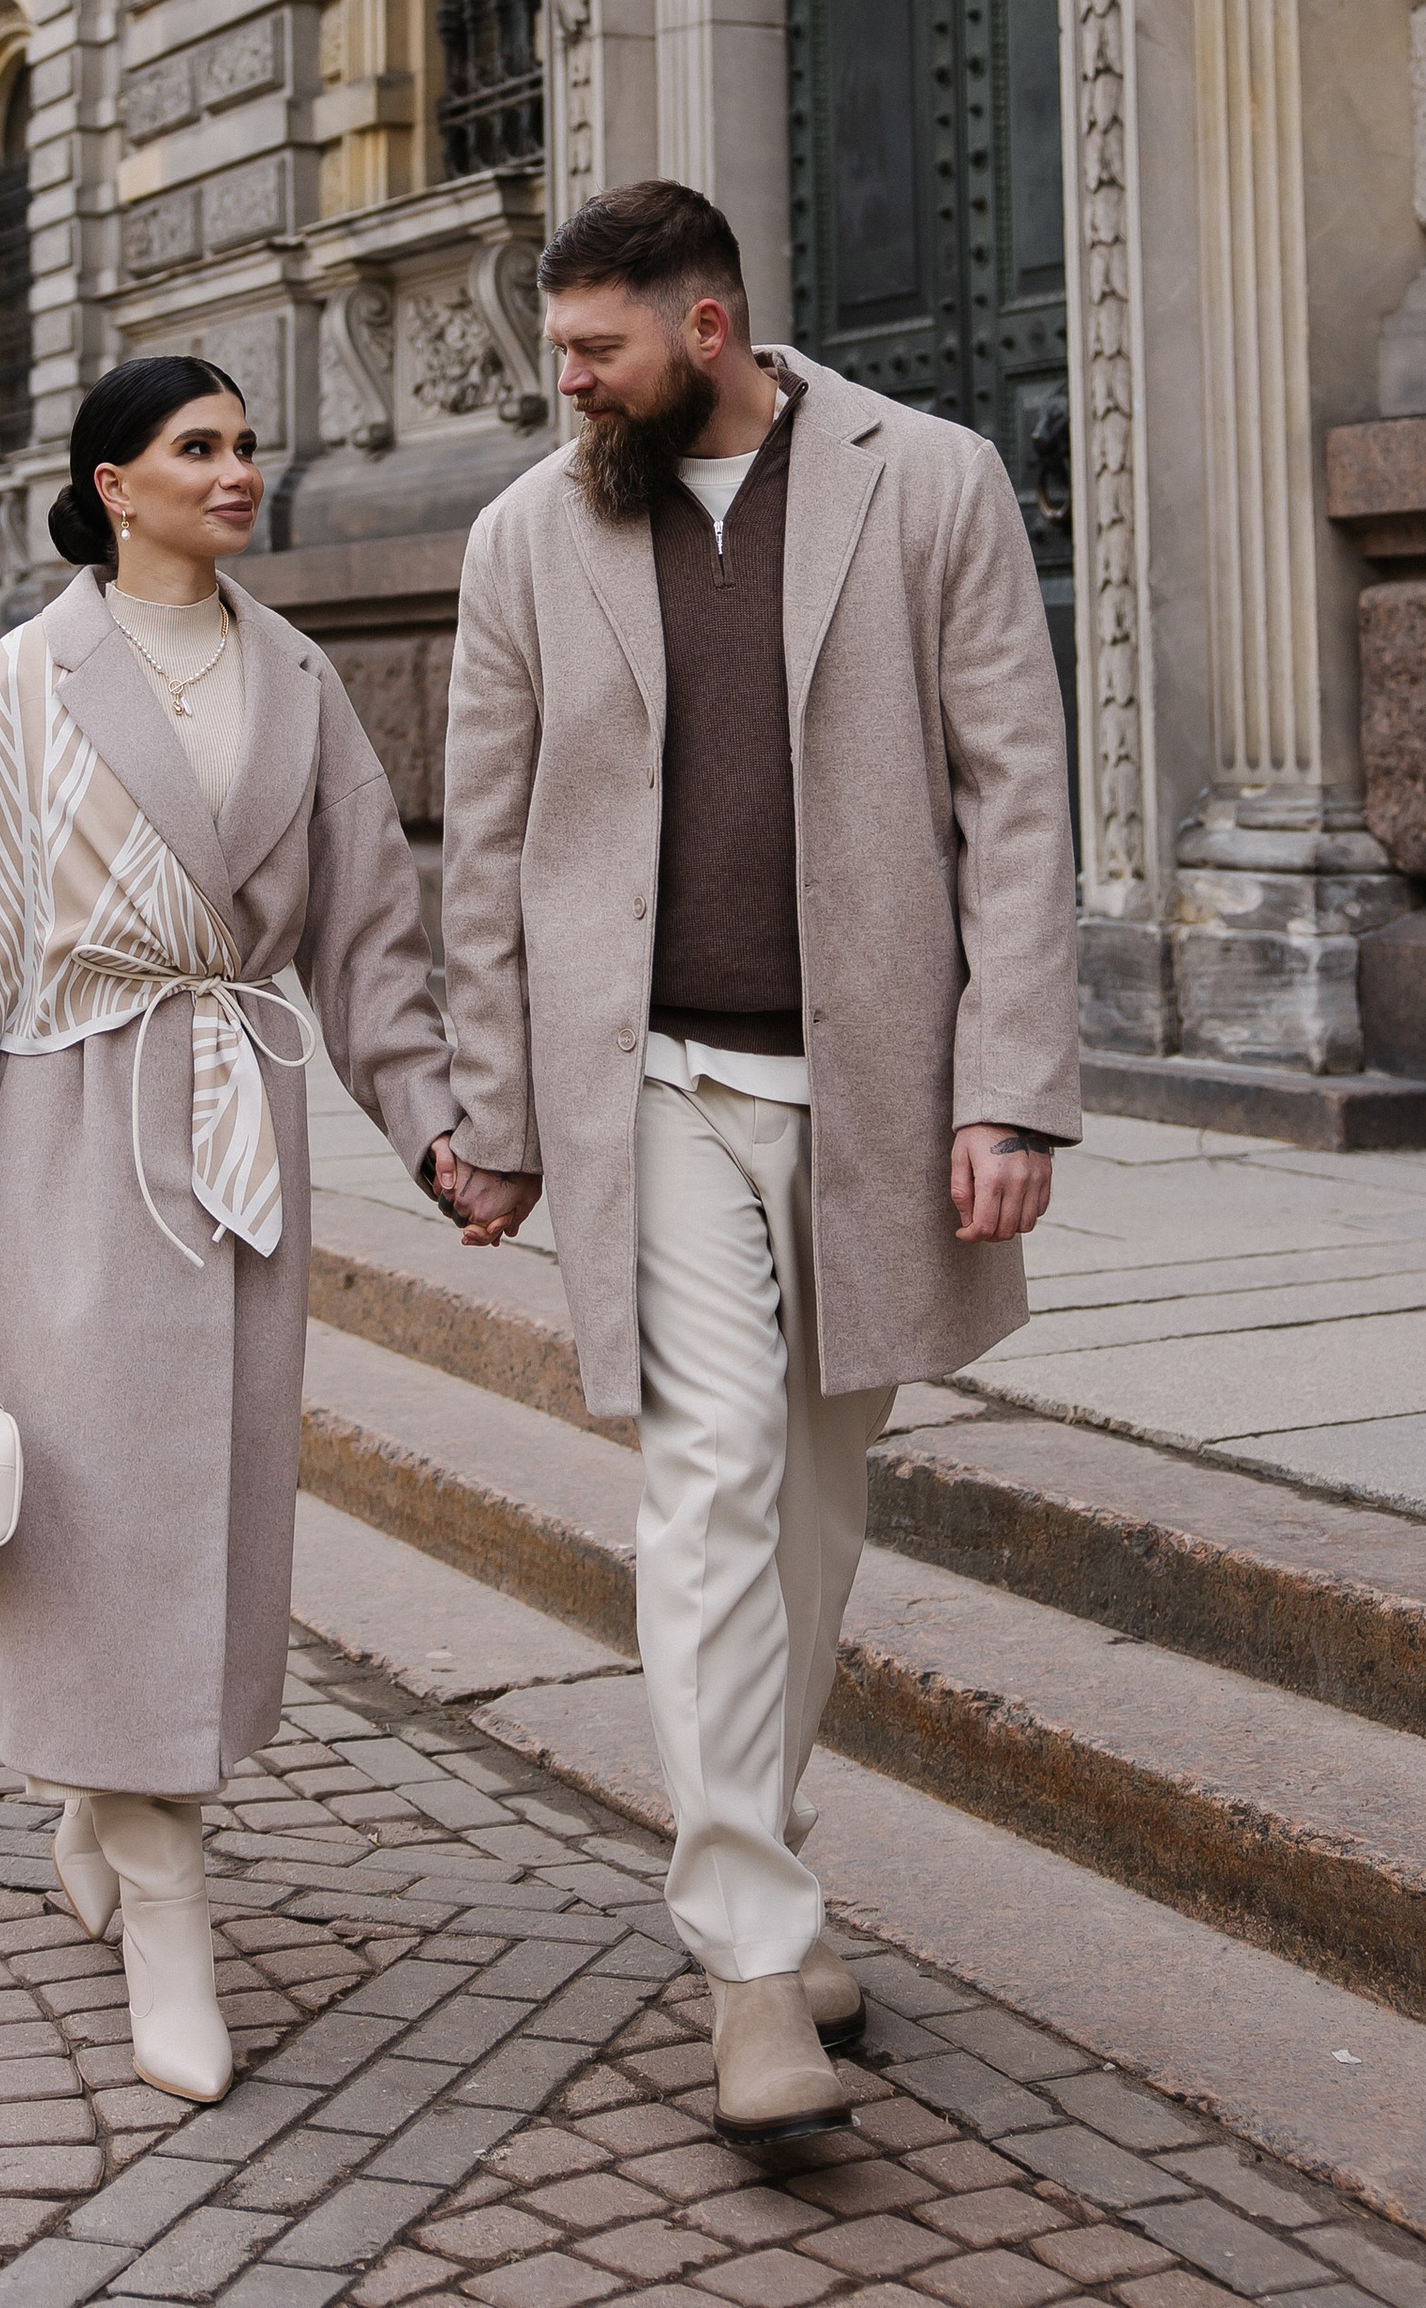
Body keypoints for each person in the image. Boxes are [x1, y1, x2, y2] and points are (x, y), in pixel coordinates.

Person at [435, 183, 1079, 2143]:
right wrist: (495, 1113)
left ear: (703, 331)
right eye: (556, 353)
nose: (564, 385)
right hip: (655, 1097)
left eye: (593, 351)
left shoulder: (929, 483)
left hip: (874, 1096)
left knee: (809, 1513)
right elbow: (481, 845)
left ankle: (769, 1882)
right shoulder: (525, 534)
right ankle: (743, 1968)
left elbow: (1015, 790)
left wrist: (1010, 1085)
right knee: (709, 1490)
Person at [0, 356, 512, 2104]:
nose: (239, 470)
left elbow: (369, 937)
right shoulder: (26, 680)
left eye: (249, 443)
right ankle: (169, 1903)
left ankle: (108, 1801)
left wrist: (436, 1134)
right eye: (201, 447)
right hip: (68, 1138)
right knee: (99, 1525)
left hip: (239, 1135)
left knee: (212, 1516)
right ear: (114, 482)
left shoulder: (302, 675)